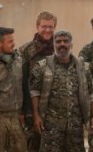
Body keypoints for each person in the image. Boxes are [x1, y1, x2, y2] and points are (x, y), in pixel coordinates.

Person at [29, 30, 93, 151]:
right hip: (51, 127)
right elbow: (34, 92)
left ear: (71, 44)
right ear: (54, 44)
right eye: (58, 42)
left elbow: (92, 93)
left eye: (65, 41)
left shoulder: (83, 67)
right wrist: (36, 116)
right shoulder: (43, 66)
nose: (62, 44)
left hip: (75, 127)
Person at [18, 11, 57, 152]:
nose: (47, 30)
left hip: (56, 111)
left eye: (51, 27)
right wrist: (24, 111)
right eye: (44, 26)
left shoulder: (61, 49)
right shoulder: (25, 51)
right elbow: (19, 81)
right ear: (37, 27)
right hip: (31, 110)